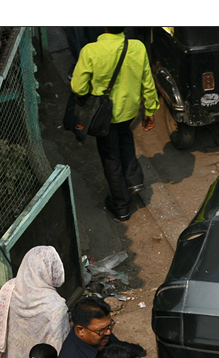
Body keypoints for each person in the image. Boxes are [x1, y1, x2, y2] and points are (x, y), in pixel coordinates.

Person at [70, 27, 158, 222]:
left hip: (104, 117)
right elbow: (148, 82)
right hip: (129, 112)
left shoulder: (90, 51)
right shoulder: (137, 47)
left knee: (111, 157)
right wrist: (150, 110)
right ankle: (134, 180)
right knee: (125, 137)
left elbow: (78, 87)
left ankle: (121, 206)